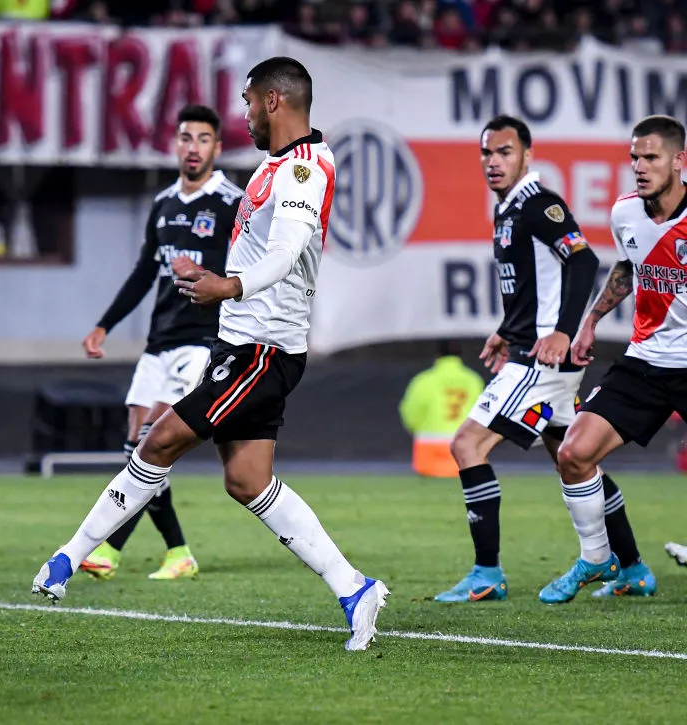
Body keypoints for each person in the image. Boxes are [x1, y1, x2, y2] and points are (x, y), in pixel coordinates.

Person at [32, 56, 390, 652]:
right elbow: (260, 252)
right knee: (247, 481)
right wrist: (218, 276)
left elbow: (286, 250)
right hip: (243, 342)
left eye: (250, 100)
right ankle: (354, 588)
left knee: (158, 441)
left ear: (274, 101)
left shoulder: (303, 170)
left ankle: (69, 558)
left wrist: (228, 285)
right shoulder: (272, 167)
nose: (245, 113)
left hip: (264, 351)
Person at [437, 115, 654, 604]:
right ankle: (634, 567)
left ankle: (487, 573)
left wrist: (562, 330)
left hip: (541, 359)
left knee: (468, 445)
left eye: (505, 152)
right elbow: (533, 285)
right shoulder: (508, 209)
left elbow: (581, 259)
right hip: (529, 347)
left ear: (527, 156)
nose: (494, 162)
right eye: (487, 154)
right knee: (575, 459)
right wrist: (504, 330)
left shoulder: (539, 204)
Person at [80, 104, 243, 581]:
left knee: (151, 440)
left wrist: (204, 276)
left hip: (202, 338)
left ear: (216, 146)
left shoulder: (232, 202)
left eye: (203, 139)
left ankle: (109, 548)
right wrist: (104, 325)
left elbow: (248, 270)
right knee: (136, 447)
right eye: (186, 138)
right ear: (176, 144)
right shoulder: (163, 203)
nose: (193, 148)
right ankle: (178, 552)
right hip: (159, 342)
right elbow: (142, 273)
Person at [548, 114, 687, 600]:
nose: (640, 166)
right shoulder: (626, 212)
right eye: (635, 157)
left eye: (651, 157)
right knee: (573, 453)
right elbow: (629, 266)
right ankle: (597, 558)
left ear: (679, 161)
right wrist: (590, 320)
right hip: (645, 361)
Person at [398, 341, 485, 478]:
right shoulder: (473, 380)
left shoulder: (423, 380)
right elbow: (482, 414)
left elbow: (410, 412)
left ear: (437, 356)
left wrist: (419, 430)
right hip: (463, 449)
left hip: (430, 448)